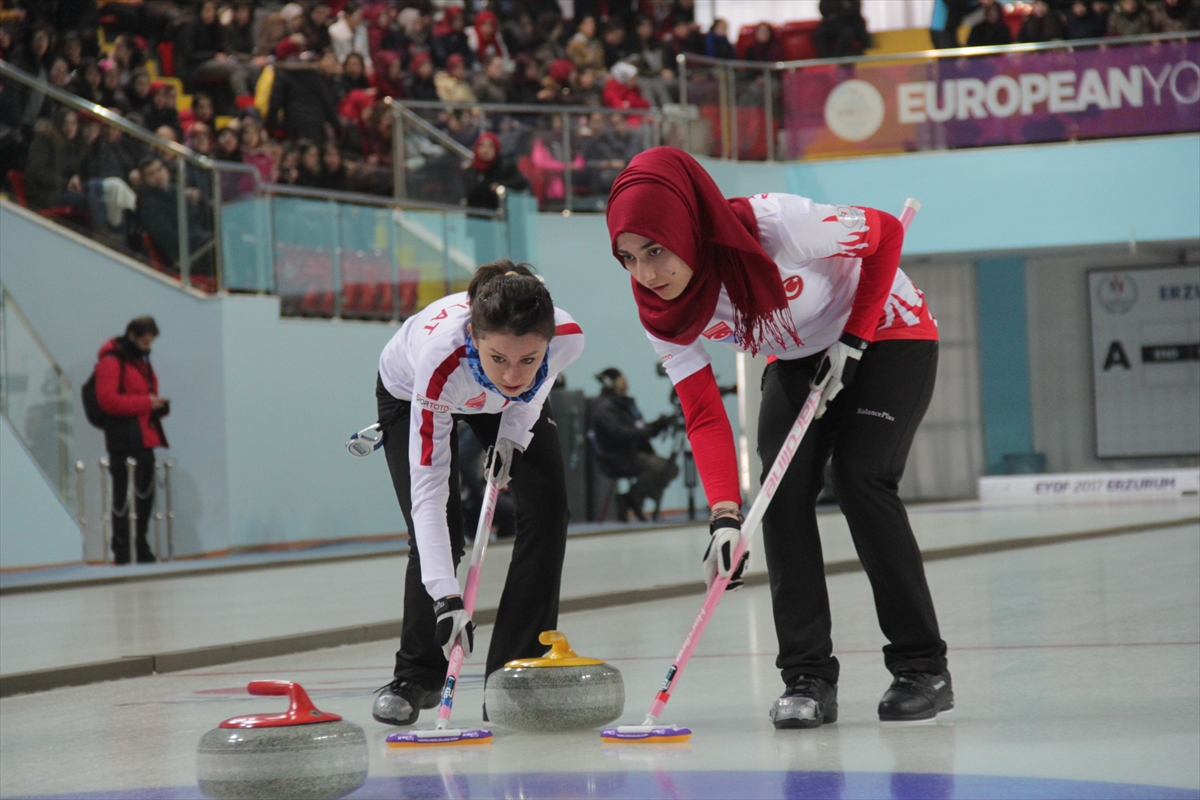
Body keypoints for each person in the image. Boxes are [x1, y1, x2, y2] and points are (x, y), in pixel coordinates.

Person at [605, 148, 950, 728]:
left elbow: (885, 235)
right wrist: (722, 516)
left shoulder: (778, 225)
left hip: (885, 328)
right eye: (629, 259)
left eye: (656, 251)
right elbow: (703, 412)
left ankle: (922, 668)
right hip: (795, 353)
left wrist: (855, 338)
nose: (647, 274)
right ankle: (808, 678)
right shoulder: (658, 311)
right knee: (780, 496)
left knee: (860, 478)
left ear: (687, 227)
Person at [371, 261, 585, 726]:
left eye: (528, 358)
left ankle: (514, 676)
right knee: (441, 530)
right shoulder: (442, 357)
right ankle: (416, 675)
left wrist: (513, 437)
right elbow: (427, 487)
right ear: (474, 336)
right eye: (500, 358)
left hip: (504, 408)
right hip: (416, 393)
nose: (513, 373)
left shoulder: (566, 339)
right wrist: (447, 599)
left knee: (548, 509)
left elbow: (528, 391)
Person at [94, 316, 169, 565]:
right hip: (123, 439)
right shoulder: (111, 362)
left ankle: (141, 543)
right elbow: (108, 400)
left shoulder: (141, 361)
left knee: (144, 497)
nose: (149, 345)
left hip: (145, 437)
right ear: (133, 337)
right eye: (145, 340)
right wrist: (146, 403)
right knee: (123, 497)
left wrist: (156, 405)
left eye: (152, 341)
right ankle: (123, 548)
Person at [590, 367, 678, 521]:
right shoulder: (605, 409)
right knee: (661, 468)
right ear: (611, 384)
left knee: (671, 468)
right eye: (621, 380)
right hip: (616, 458)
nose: (625, 383)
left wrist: (657, 426)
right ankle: (632, 499)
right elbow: (622, 434)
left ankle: (632, 499)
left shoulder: (625, 405)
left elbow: (638, 429)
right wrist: (651, 429)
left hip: (630, 453)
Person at [177, 0, 254, 99]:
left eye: (213, 10)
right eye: (207, 10)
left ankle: (257, 102)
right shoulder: (189, 26)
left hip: (213, 61)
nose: (211, 14)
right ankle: (245, 102)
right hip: (194, 66)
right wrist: (213, 55)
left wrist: (248, 59)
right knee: (233, 68)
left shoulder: (215, 27)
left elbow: (226, 50)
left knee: (251, 67)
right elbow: (189, 54)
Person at [464, 131, 528, 210]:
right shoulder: (471, 170)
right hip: (475, 216)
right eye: (482, 146)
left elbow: (521, 182)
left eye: (490, 147)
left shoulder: (505, 167)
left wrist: (501, 185)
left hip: (499, 215)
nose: (485, 150)